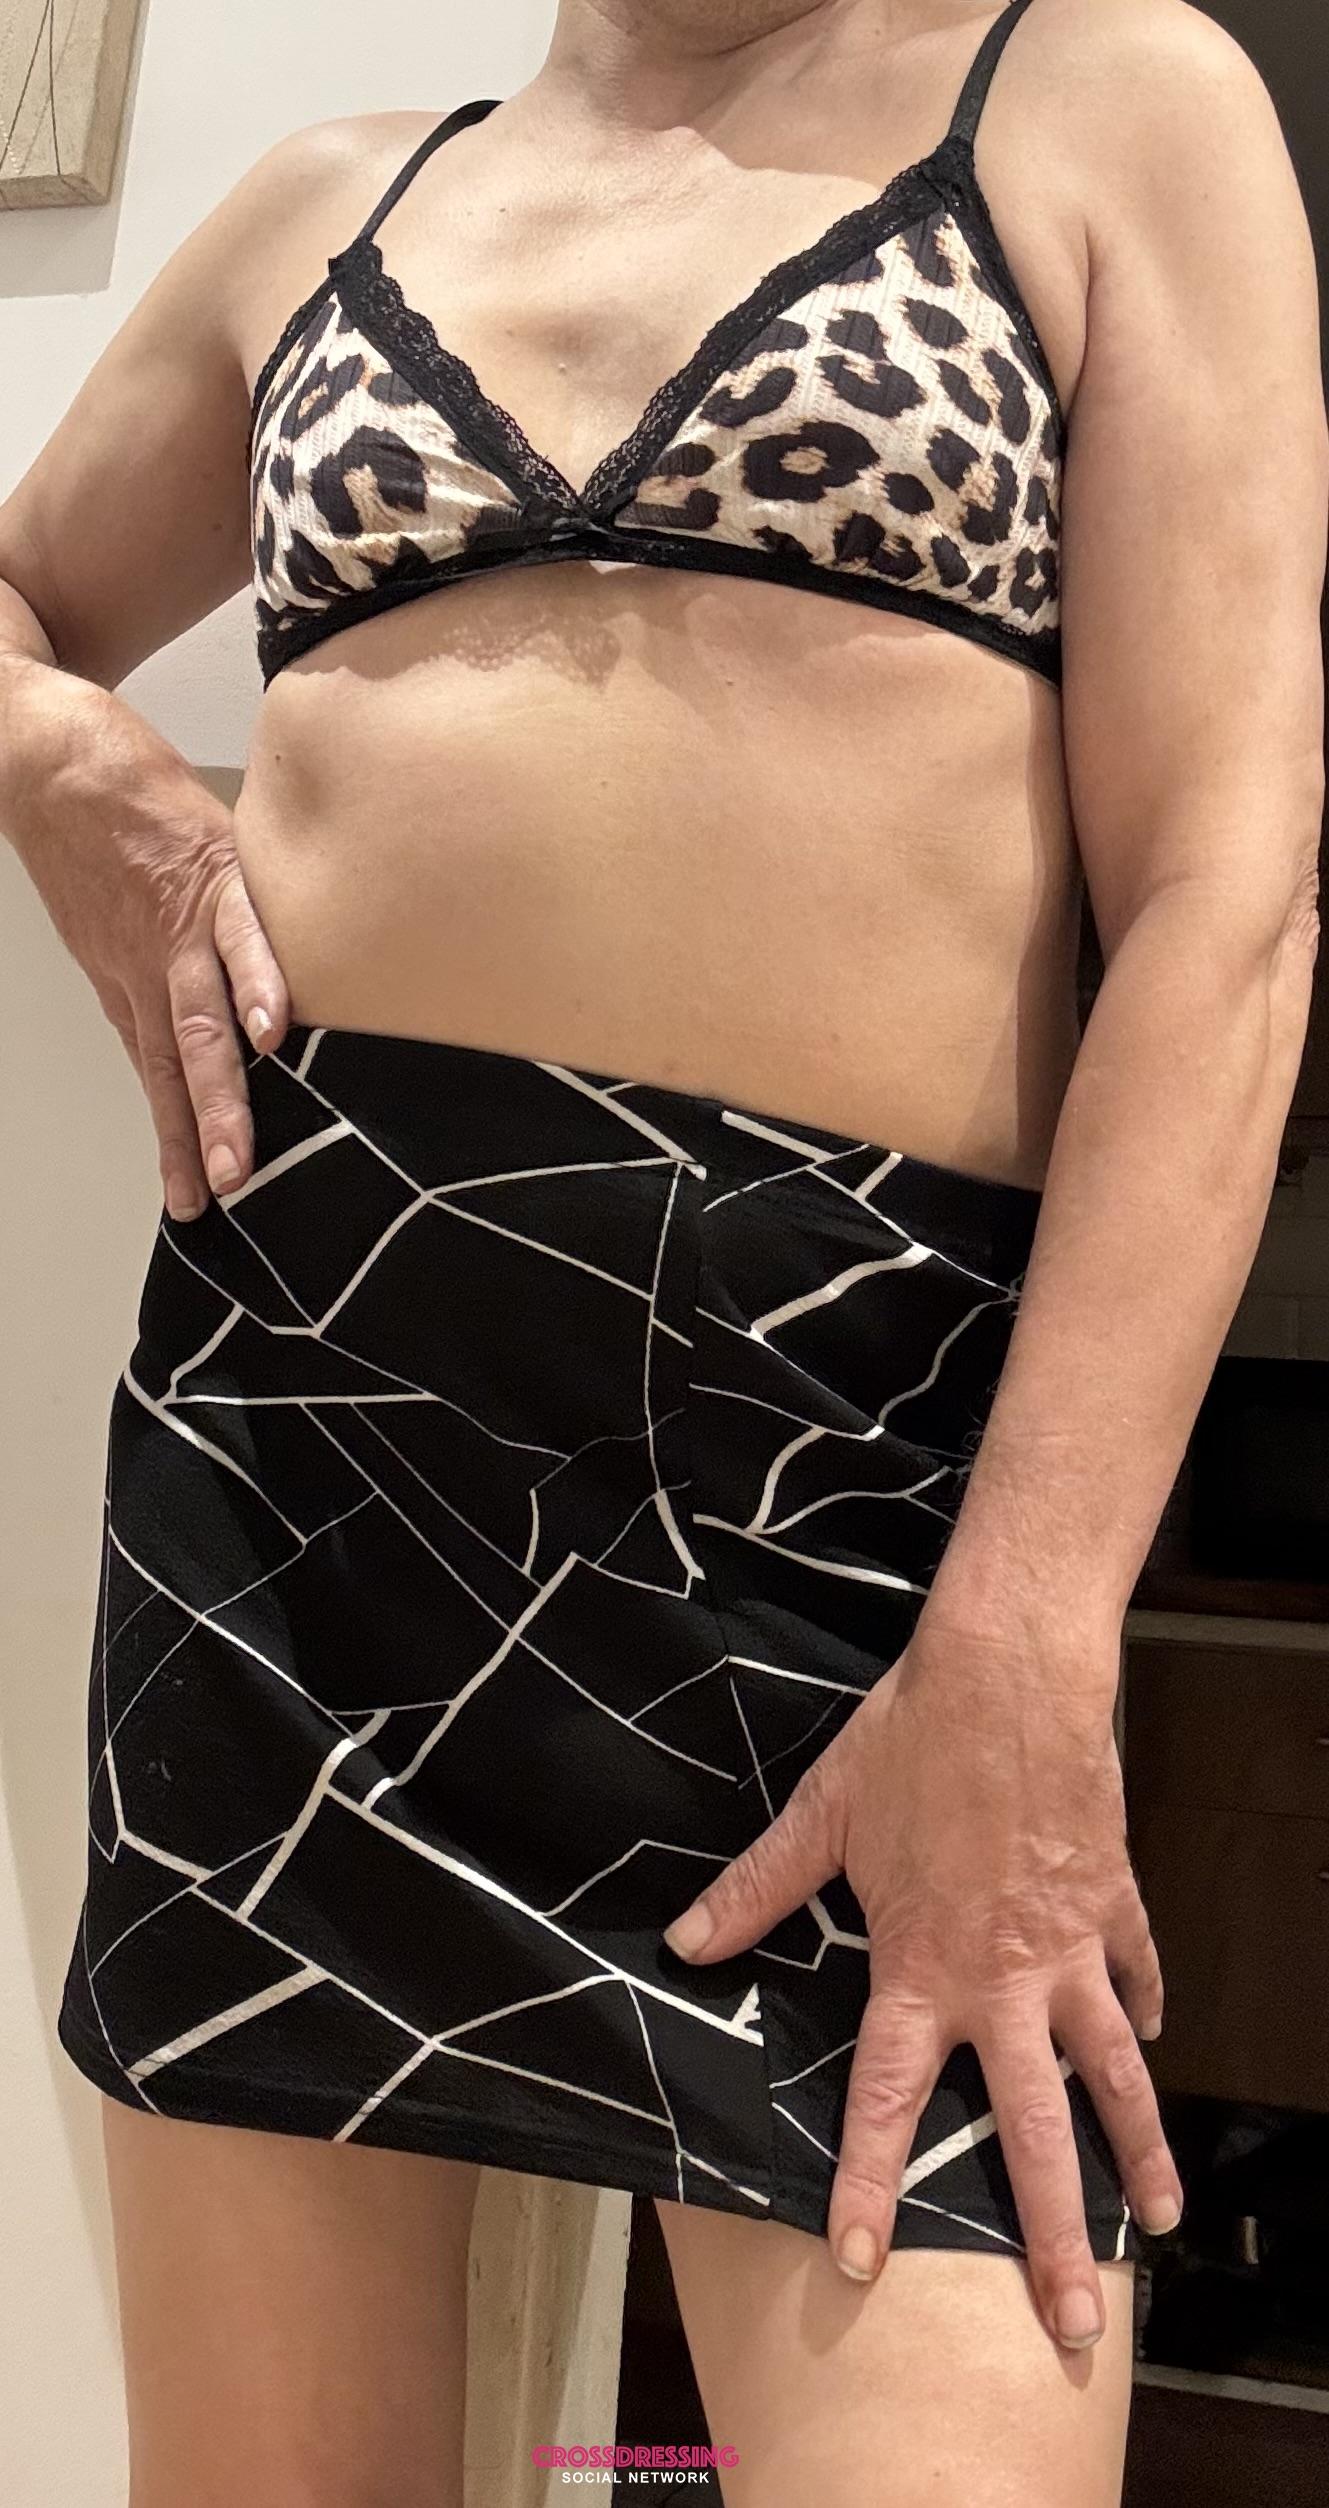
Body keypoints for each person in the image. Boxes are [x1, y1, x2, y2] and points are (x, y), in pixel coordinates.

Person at [2, 0, 1324, 2499]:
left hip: (851, 1510)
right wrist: (53, 751)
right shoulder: (326, 202)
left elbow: (1221, 912)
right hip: (296, 1462)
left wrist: (1028, 1640)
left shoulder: (1098, 99)